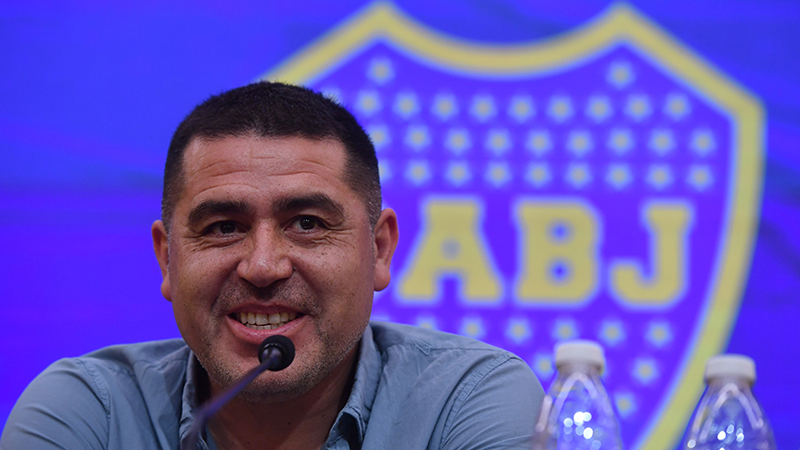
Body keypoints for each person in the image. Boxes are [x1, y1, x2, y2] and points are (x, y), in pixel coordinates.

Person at [1, 82, 544, 450]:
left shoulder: (466, 400)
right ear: (167, 258)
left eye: (307, 223)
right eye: (223, 227)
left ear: (378, 250)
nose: (262, 267)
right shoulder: (90, 412)